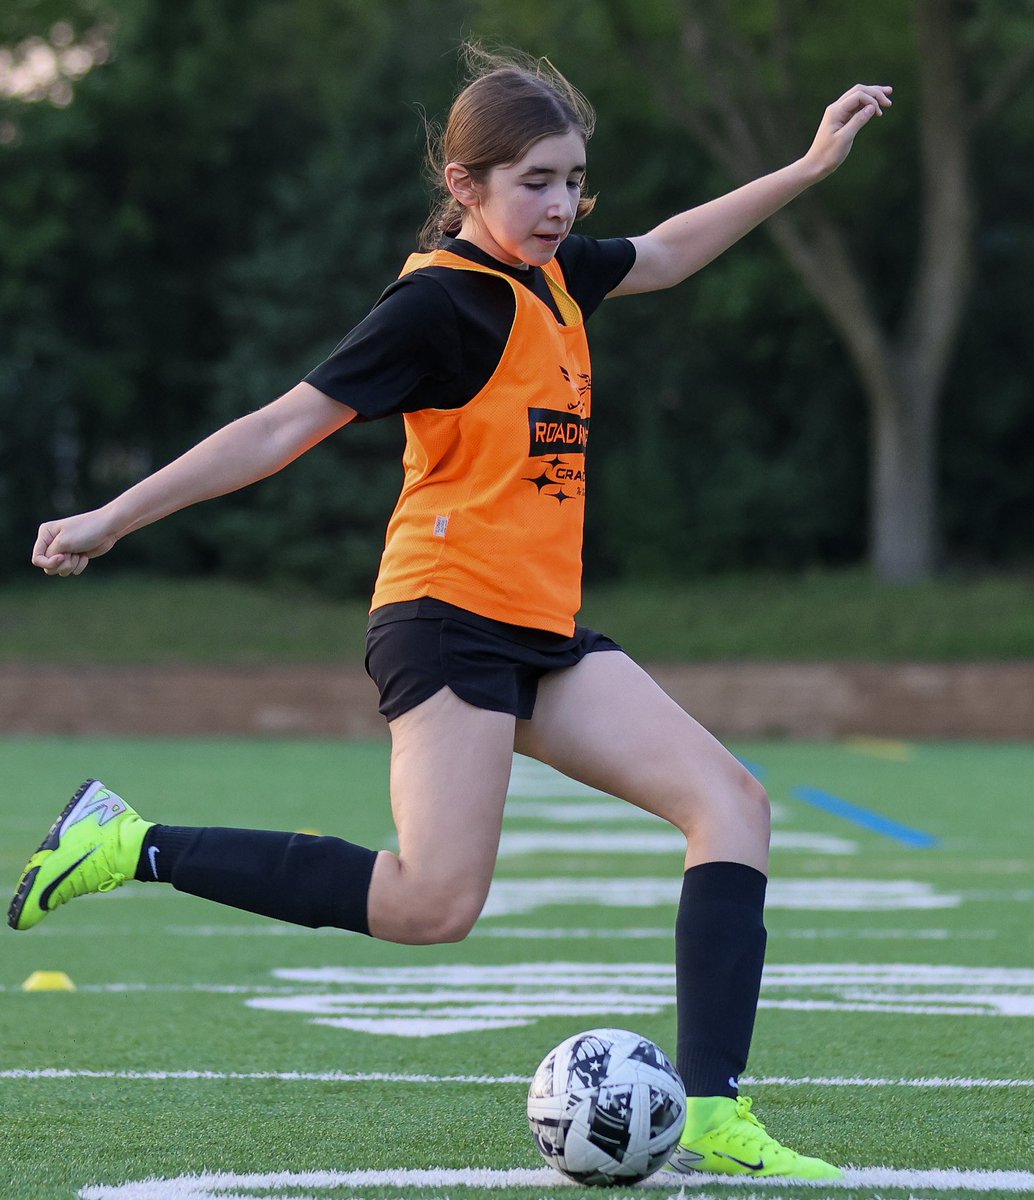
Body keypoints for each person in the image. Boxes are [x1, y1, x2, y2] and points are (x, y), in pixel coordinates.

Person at [10, 47, 891, 1178]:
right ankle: (127, 844)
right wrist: (111, 518)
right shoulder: (441, 303)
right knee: (431, 904)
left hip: (540, 626)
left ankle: (713, 1113)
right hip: (444, 619)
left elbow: (666, 252)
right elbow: (280, 428)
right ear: (464, 182)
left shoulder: (558, 275)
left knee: (730, 804)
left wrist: (809, 165)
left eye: (574, 179)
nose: (561, 204)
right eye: (534, 180)